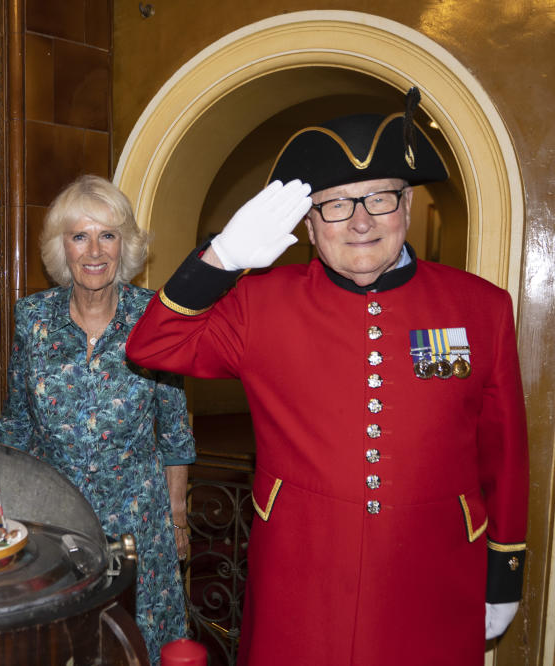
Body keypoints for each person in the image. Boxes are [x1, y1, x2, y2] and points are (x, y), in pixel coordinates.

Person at [125, 89, 529, 666]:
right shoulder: (260, 304)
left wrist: (504, 566)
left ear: (407, 207)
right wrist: (223, 257)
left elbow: (505, 451)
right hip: (302, 578)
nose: (360, 221)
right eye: (336, 205)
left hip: (435, 576)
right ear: (310, 226)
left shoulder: (480, 307)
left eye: (378, 199)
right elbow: (152, 345)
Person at [0, 175, 196, 663]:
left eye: (107, 234)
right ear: (61, 247)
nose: (94, 250)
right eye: (79, 235)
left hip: (139, 526)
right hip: (53, 522)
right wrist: (3, 511)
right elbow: (16, 426)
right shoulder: (32, 319)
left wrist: (177, 516)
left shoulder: (155, 317)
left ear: (124, 245)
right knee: (63, 644)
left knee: (137, 643)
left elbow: (173, 430)